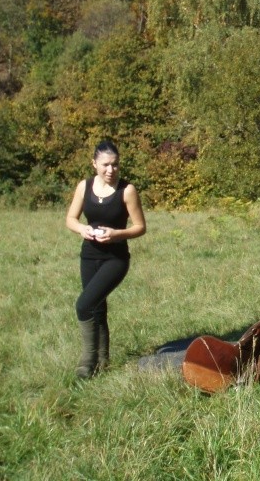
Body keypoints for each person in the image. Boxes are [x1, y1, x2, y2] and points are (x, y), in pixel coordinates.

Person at [66, 140, 146, 378]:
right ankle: (103, 361)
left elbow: (140, 227)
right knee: (97, 308)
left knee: (84, 305)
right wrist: (82, 229)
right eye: (106, 165)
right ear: (94, 164)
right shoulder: (84, 186)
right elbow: (70, 218)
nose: (111, 170)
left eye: (115, 165)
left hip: (116, 258)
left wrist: (116, 234)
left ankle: (86, 362)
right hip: (89, 255)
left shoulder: (127, 190)